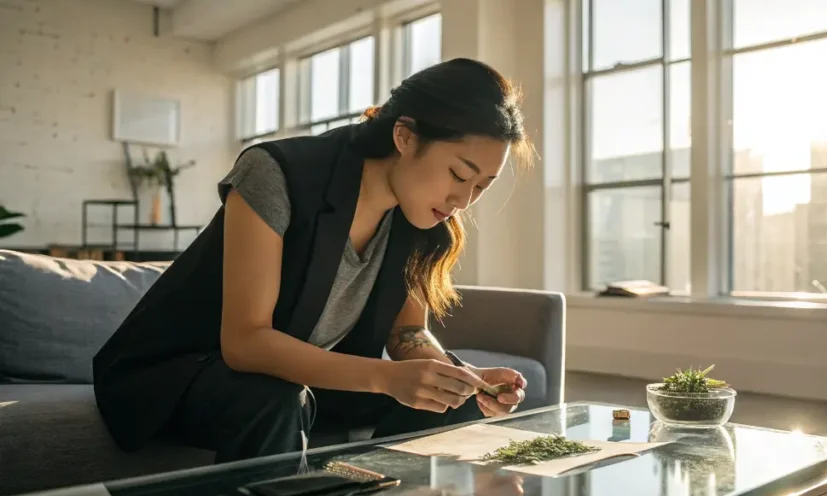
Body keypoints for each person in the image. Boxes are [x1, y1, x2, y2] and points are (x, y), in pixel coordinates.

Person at [92, 58, 535, 463]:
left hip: (297, 378)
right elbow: (246, 342)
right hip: (181, 372)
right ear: (404, 136)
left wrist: (459, 378)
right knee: (274, 398)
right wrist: (386, 377)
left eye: (481, 187)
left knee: (443, 402)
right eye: (459, 174)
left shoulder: (426, 217)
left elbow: (407, 332)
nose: (463, 200)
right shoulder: (277, 173)